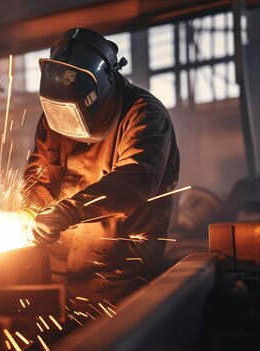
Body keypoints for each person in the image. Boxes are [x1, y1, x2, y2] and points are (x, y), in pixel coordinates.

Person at [21, 28, 180, 304]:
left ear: (102, 89)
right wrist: (26, 211)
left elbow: (133, 182)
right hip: (58, 272)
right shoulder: (54, 117)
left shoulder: (144, 117)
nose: (68, 131)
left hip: (119, 278)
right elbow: (39, 176)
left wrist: (67, 212)